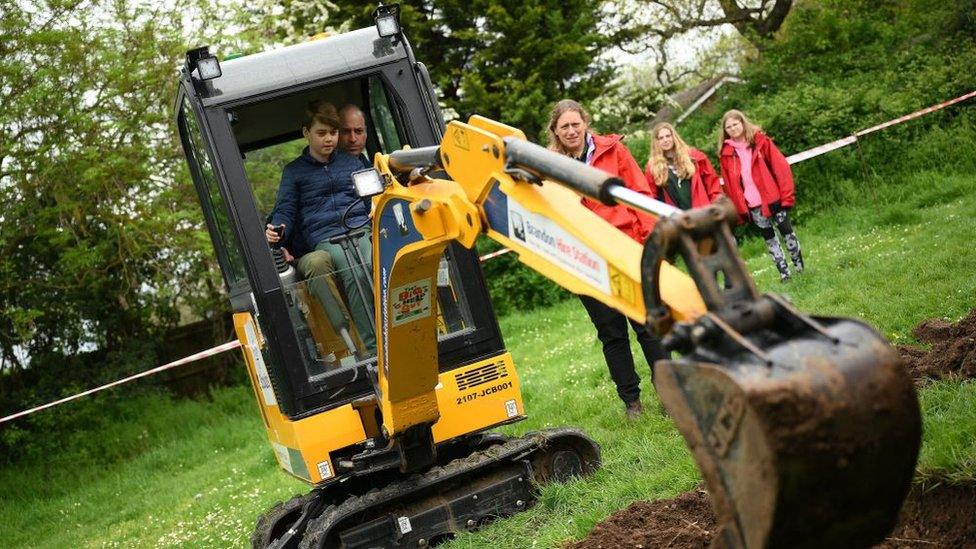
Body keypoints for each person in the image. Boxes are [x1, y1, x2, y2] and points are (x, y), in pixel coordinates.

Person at [547, 99, 669, 419]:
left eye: (576, 124)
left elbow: (640, 196)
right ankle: (632, 402)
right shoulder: (546, 166)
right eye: (564, 127)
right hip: (586, 262)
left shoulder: (614, 151)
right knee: (612, 334)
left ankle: (669, 392)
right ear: (555, 132)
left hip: (626, 249)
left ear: (585, 123)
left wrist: (649, 246)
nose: (571, 131)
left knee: (647, 325)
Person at [267, 100, 376, 354]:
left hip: (361, 229)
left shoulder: (352, 163)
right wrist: (277, 231)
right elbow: (285, 210)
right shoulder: (294, 172)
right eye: (322, 133)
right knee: (353, 270)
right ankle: (371, 349)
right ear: (306, 133)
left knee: (376, 259)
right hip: (328, 238)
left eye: (333, 133)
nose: (329, 139)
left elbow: (371, 197)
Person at [718, 109, 804, 281]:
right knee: (770, 239)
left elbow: (781, 168)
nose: (733, 128)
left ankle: (800, 269)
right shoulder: (726, 154)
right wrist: (739, 211)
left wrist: (787, 196)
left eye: (735, 124)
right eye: (729, 127)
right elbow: (729, 186)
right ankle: (784, 274)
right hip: (753, 205)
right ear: (725, 131)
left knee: (787, 233)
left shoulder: (761, 141)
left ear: (742, 123)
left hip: (774, 199)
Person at [644, 122, 722, 210]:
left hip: (702, 212)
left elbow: (712, 182)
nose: (665, 140)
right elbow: (651, 197)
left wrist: (716, 203)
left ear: (674, 137)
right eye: (661, 138)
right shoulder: (653, 168)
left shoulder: (694, 157)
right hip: (677, 218)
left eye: (668, 136)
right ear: (656, 142)